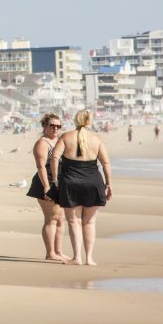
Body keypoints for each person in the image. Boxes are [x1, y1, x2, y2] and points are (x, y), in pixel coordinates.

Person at [50, 109, 112, 266]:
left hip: (71, 183)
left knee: (73, 221)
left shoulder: (65, 137)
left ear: (75, 120)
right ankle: (89, 259)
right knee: (90, 223)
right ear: (89, 121)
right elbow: (105, 163)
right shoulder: (96, 139)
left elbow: (55, 157)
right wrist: (109, 184)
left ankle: (77, 257)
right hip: (94, 183)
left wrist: (56, 178)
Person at [25, 113, 71, 262]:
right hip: (46, 182)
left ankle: (58, 251)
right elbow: (41, 166)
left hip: (60, 183)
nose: (55, 128)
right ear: (44, 126)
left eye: (58, 126)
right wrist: (46, 187)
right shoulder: (42, 143)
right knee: (51, 218)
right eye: (52, 125)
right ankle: (50, 253)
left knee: (61, 219)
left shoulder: (59, 141)